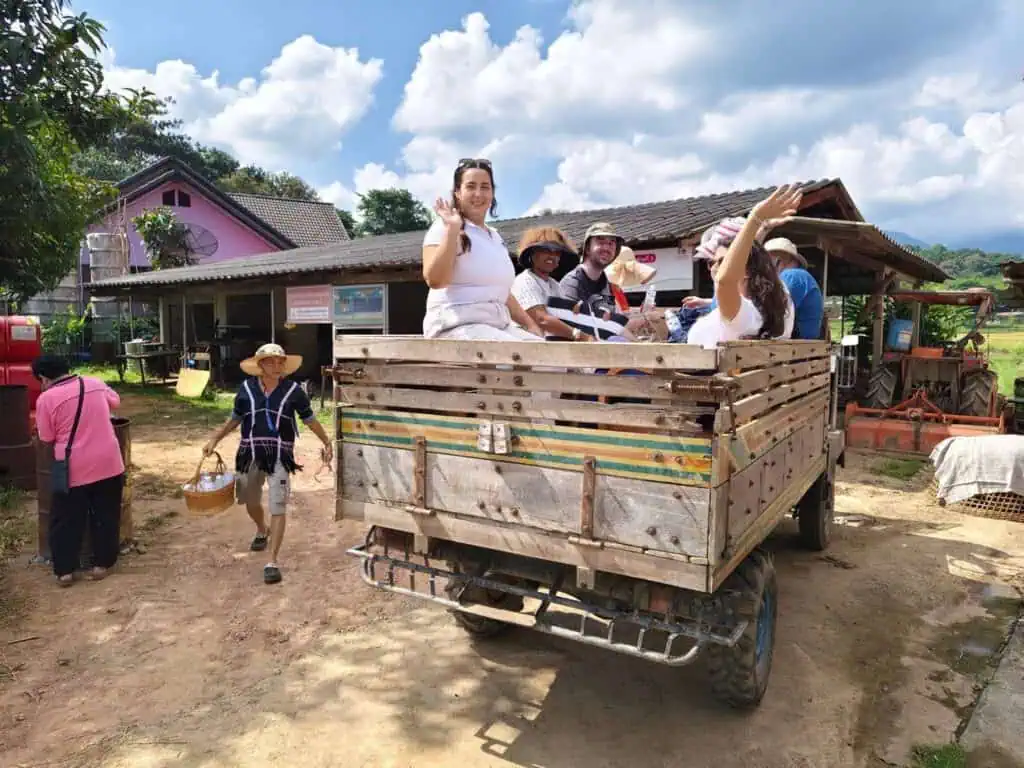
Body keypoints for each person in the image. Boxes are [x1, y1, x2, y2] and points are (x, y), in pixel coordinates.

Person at [202, 343, 333, 585]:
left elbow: (309, 419)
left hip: (280, 454)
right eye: (271, 361)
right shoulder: (246, 389)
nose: (277, 366)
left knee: (278, 504)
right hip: (249, 452)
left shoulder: (294, 390)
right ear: (260, 365)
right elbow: (236, 418)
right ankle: (262, 529)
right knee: (250, 500)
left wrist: (326, 441)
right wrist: (215, 438)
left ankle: (272, 561)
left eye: (280, 361)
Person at [421, 158, 542, 340]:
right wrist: (452, 230)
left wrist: (530, 325)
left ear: (492, 193)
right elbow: (435, 280)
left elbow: (501, 291)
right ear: (457, 193)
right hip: (455, 325)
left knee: (555, 360)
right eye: (470, 186)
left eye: (485, 187)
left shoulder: (494, 237)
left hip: (497, 326)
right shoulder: (444, 228)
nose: (478, 193)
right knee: (524, 358)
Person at [33, 355, 125, 587]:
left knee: (65, 518)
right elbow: (116, 402)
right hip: (110, 462)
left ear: (43, 378)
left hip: (74, 468)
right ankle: (102, 565)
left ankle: (65, 571)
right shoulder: (94, 383)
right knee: (106, 514)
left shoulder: (46, 399)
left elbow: (46, 437)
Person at [686, 185, 801, 348]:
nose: (713, 268)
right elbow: (750, 260)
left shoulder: (741, 314)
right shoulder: (776, 302)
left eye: (721, 262)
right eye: (710, 262)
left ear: (744, 270)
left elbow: (726, 280)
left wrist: (755, 219)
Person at [510, 226, 594, 341]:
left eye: (557, 252)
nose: (552, 256)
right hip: (527, 345)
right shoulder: (524, 281)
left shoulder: (554, 285)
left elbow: (566, 315)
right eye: (545, 250)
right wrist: (579, 335)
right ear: (532, 254)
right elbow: (542, 319)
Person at [764, 236, 825, 340]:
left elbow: (773, 307)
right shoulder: (801, 276)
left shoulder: (793, 275)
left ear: (777, 259)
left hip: (798, 344)